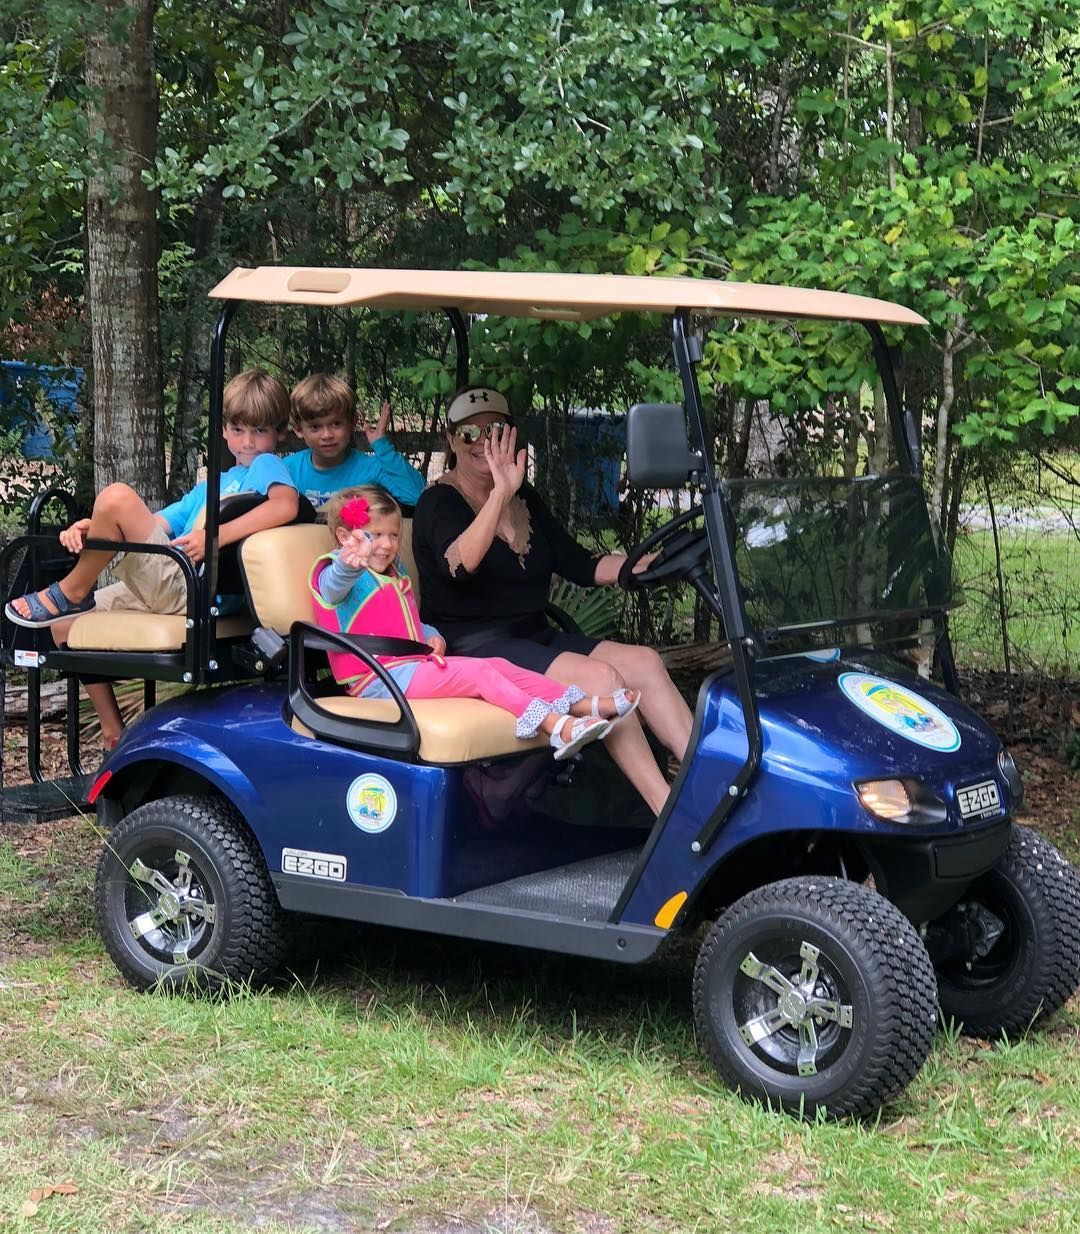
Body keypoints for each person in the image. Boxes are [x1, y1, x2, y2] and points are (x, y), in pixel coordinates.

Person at [411, 386, 695, 816]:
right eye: (469, 433)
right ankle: (670, 814)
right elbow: (460, 565)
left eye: (494, 430)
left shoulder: (527, 500)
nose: (482, 442)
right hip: (474, 649)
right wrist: (499, 494)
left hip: (534, 634)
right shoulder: (438, 502)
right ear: (451, 441)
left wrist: (649, 565)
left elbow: (579, 564)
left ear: (511, 436)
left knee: (645, 663)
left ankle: (705, 784)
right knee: (602, 678)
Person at [5, 368, 300, 748]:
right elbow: (157, 522)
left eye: (260, 431)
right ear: (225, 431)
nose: (248, 442)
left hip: (195, 590)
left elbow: (287, 506)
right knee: (63, 627)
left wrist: (213, 537)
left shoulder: (267, 467)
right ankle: (114, 732)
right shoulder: (212, 485)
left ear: (278, 433)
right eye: (239, 429)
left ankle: (70, 589)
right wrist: (92, 526)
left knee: (115, 496)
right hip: (171, 582)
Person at [311, 486, 642, 761]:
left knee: (497, 664)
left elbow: (408, 624)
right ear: (345, 536)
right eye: (373, 535)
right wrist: (347, 562)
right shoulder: (337, 574)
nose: (385, 544)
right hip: (377, 681)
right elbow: (335, 585)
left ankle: (584, 704)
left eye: (392, 535)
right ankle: (559, 727)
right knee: (481, 673)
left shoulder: (392, 575)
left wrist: (432, 635)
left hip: (407, 669)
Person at [284, 373, 426, 509]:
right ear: (298, 429)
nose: (327, 435)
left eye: (336, 424)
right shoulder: (288, 469)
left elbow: (417, 497)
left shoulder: (371, 468)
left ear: (353, 422)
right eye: (315, 427)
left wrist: (383, 448)